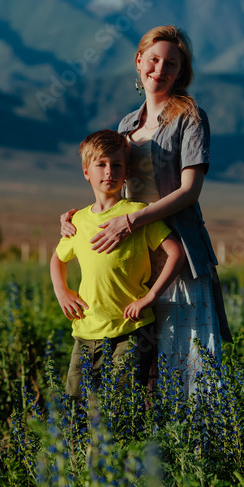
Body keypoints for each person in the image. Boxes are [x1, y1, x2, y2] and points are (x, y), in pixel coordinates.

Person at [61, 25, 232, 397]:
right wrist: (75, 218)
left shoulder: (191, 117)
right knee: (140, 362)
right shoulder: (125, 126)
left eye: (171, 63)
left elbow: (190, 191)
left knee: (188, 359)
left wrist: (132, 220)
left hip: (179, 253)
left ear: (180, 70)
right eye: (153, 59)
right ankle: (148, 448)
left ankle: (200, 445)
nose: (160, 69)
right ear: (139, 62)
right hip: (133, 258)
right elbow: (110, 189)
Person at [50, 129, 185, 399]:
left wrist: (150, 297)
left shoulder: (136, 214)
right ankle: (84, 445)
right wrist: (61, 290)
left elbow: (176, 252)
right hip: (86, 330)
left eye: (117, 164)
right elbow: (58, 257)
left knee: (123, 408)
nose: (109, 171)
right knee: (76, 403)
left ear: (127, 172)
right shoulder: (78, 221)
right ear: (86, 171)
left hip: (131, 330)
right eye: (100, 164)